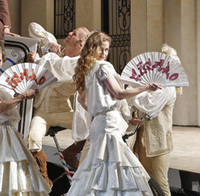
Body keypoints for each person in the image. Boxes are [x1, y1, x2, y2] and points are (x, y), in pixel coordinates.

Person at [66, 32, 161, 195]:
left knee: (98, 167)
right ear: (93, 48)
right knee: (115, 166)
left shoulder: (87, 68)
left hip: (98, 123)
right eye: (101, 49)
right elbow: (118, 94)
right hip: (108, 123)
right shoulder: (103, 66)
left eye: (106, 50)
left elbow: (82, 100)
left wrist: (97, 110)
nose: (104, 53)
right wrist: (146, 87)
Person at [0, 44, 51, 196]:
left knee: (15, 170)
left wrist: (31, 65)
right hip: (0, 130)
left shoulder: (2, 79)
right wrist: (23, 96)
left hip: (10, 129)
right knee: (3, 169)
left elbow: (23, 82)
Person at [26, 23, 90, 184]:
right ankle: (45, 179)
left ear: (81, 43)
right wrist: (47, 45)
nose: (69, 33)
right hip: (42, 112)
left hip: (62, 111)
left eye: (74, 33)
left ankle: (71, 154)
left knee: (93, 131)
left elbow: (57, 71)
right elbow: (33, 27)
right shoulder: (55, 53)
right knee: (33, 139)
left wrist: (44, 57)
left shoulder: (79, 64)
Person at [129, 43, 182, 196]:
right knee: (147, 181)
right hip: (144, 138)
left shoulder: (168, 88)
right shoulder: (153, 85)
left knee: (160, 183)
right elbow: (139, 107)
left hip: (160, 141)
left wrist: (136, 92)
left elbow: (148, 105)